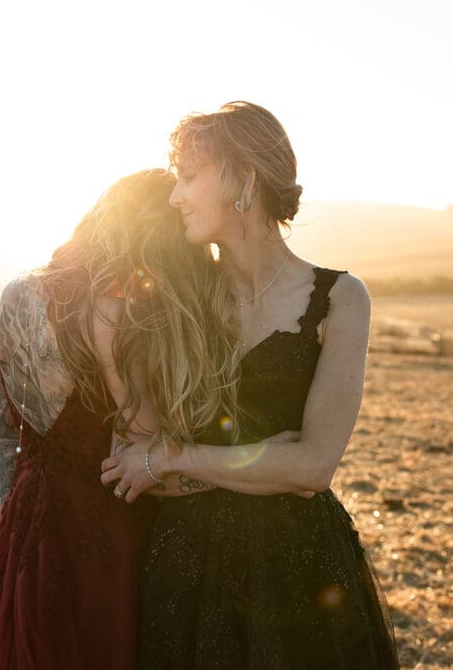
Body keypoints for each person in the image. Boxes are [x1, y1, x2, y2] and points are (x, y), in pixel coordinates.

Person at [100, 102, 399, 668]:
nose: (174, 196)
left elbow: (313, 468)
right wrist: (263, 463)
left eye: (190, 177)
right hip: (186, 571)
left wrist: (177, 456)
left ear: (244, 179)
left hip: (301, 569)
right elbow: (139, 469)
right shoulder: (174, 304)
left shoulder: (341, 298)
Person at [0, 168, 240, 670]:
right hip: (130, 525)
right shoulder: (145, 312)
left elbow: (4, 429)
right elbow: (143, 443)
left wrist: (15, 520)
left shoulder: (20, 294)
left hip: (37, 519)